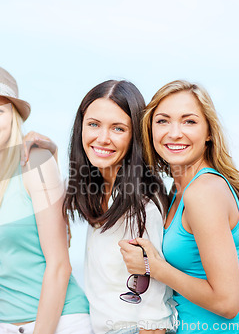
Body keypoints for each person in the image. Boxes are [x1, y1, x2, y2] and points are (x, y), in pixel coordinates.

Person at [0, 64, 91, 334]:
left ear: (14, 117)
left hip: (60, 323)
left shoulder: (35, 161)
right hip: (4, 325)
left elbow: (60, 265)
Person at [119, 80, 239, 333]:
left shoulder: (203, 191)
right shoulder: (178, 191)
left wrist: (154, 268)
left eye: (189, 121)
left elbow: (228, 303)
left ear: (209, 132)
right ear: (150, 130)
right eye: (163, 121)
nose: (174, 132)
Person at [63, 80, 176, 334]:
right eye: (93, 124)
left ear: (135, 135)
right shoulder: (98, 188)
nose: (102, 138)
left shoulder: (143, 202)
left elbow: (155, 313)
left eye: (118, 128)